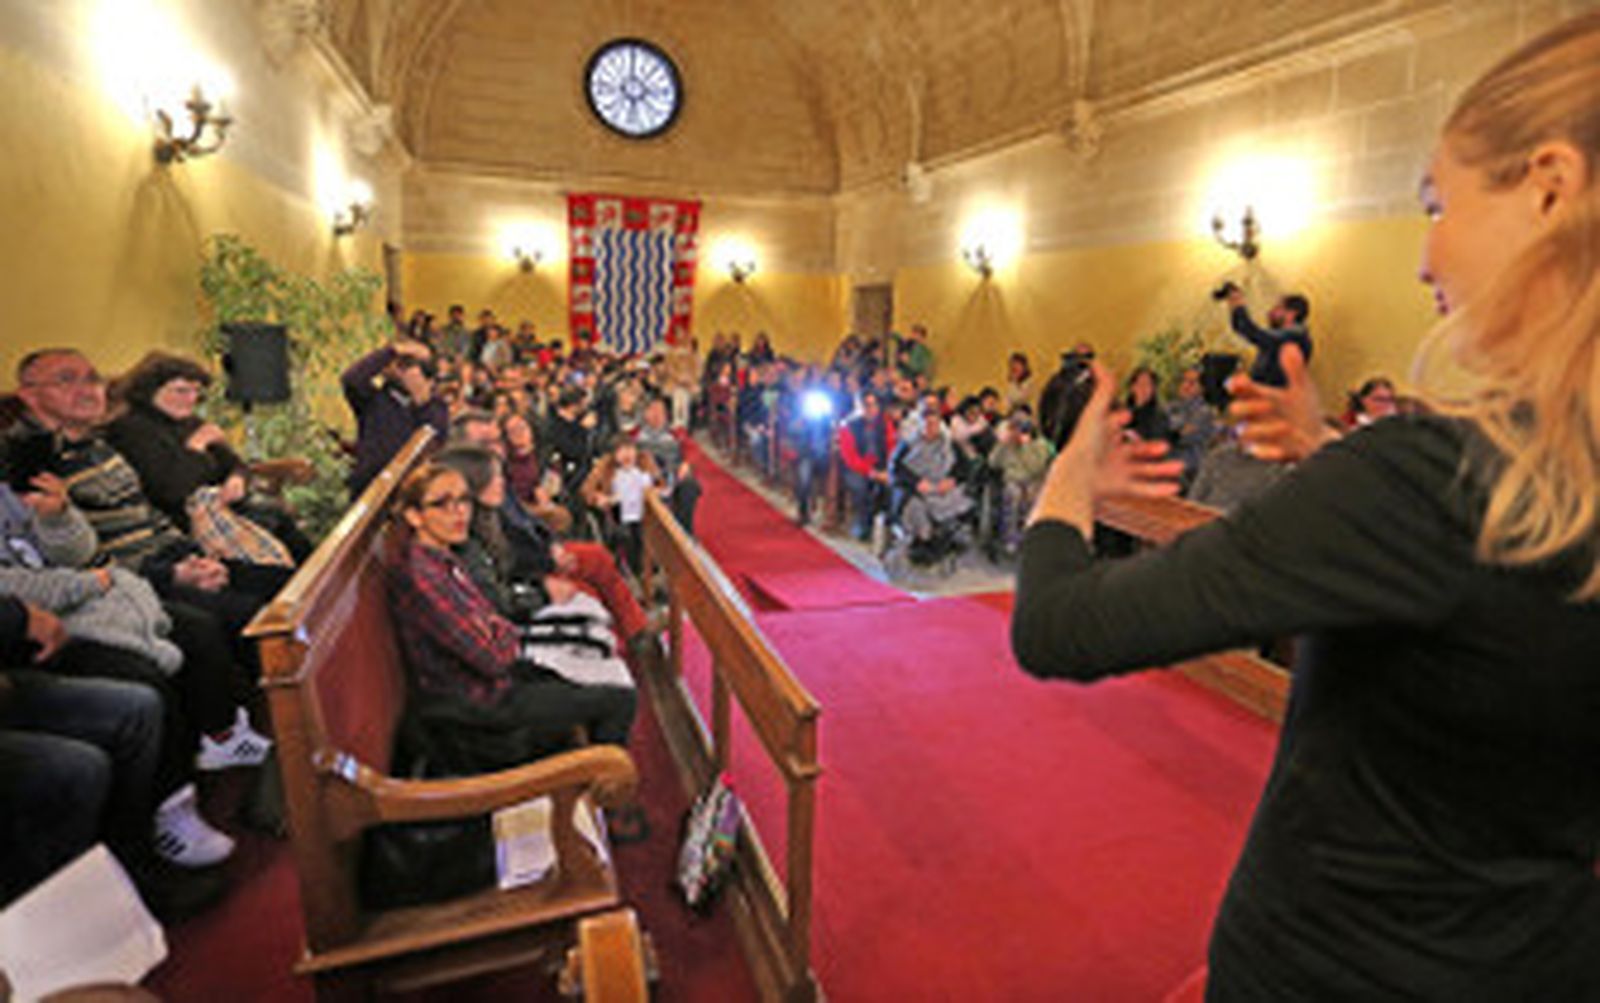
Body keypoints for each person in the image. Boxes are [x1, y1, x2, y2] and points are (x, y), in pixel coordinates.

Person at [1014, 14, 1600, 998]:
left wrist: (1067, 476)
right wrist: (1331, 455)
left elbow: (1058, 625)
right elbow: (1492, 629)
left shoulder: (1428, 478)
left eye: (1435, 204)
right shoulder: (1491, 485)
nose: (1424, 258)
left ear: (1548, 184)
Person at [386, 463, 635, 775]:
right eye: (442, 504)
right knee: (619, 700)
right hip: (478, 712)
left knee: (585, 673)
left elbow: (493, 620)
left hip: (493, 685)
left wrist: (496, 630)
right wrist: (497, 632)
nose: (459, 512)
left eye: (463, 500)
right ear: (414, 516)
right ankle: (604, 801)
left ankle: (589, 784)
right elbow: (492, 656)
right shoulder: (420, 577)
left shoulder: (442, 557)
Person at [106, 352, 311, 562]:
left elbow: (236, 464)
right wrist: (197, 446)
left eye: (196, 391)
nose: (191, 399)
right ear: (149, 391)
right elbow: (171, 491)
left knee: (277, 518)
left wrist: (236, 479)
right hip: (183, 522)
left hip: (222, 507)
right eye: (181, 391)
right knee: (273, 522)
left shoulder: (187, 422)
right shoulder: (130, 430)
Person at [342, 339, 449, 496]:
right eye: (399, 363)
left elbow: (434, 442)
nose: (402, 369)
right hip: (370, 487)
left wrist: (421, 401)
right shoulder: (372, 399)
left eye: (409, 364)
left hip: (411, 490)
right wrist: (393, 351)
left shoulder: (435, 406)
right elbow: (351, 379)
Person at [1224, 286, 1313, 388]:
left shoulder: (1294, 336)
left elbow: (1254, 333)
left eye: (1277, 308)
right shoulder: (1287, 335)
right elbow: (1242, 329)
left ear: (1291, 314)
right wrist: (1234, 307)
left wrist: (1239, 305)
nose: (1270, 312)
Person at [837, 392, 895, 542]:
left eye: (874, 405)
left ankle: (888, 527)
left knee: (894, 487)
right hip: (857, 469)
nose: (871, 409)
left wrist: (889, 470)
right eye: (867, 405)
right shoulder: (848, 426)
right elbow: (850, 458)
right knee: (861, 488)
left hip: (881, 467)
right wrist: (871, 473)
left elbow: (891, 448)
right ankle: (863, 525)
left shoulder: (885, 424)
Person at [1123, 367, 1170, 443]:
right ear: (1132, 387)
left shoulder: (1159, 416)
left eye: (1148, 384)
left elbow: (1159, 445)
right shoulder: (1123, 412)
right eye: (1140, 383)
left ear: (1153, 389)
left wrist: (1138, 441)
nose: (1143, 388)